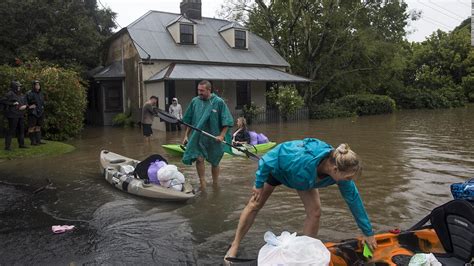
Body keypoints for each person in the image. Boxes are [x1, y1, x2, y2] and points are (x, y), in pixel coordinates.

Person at [225, 138, 377, 259]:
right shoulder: (301, 160)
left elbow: (353, 200)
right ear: (335, 170)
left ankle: (304, 251)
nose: (350, 180)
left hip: (304, 180)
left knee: (315, 212)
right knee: (254, 205)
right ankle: (235, 245)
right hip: (278, 170)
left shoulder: (341, 173)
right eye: (349, 177)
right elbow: (266, 160)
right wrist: (258, 184)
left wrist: (368, 232)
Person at [182, 80, 234, 189]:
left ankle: (215, 183)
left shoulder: (219, 102)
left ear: (209, 90)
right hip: (198, 137)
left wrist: (222, 136)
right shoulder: (194, 101)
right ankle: (203, 184)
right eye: (198, 90)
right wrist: (186, 135)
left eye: (202, 90)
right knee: (199, 159)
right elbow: (188, 121)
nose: (199, 93)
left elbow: (227, 121)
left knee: (215, 161)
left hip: (214, 137)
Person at [1, 81, 28, 150]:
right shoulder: (9, 94)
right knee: (11, 130)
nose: (19, 87)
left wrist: (25, 106)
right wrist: (12, 104)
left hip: (21, 114)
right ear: (14, 86)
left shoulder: (21, 94)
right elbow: (2, 101)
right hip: (12, 115)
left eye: (19, 86)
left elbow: (25, 102)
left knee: (21, 130)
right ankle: (7, 147)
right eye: (18, 86)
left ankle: (21, 144)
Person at [26, 80, 46, 145]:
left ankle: (38, 140)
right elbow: (24, 102)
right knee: (32, 127)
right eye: (36, 85)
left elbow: (42, 102)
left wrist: (43, 107)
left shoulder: (41, 93)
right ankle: (33, 142)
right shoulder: (29, 93)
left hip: (40, 112)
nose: (38, 86)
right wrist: (28, 106)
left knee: (38, 126)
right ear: (33, 86)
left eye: (39, 85)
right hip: (33, 112)